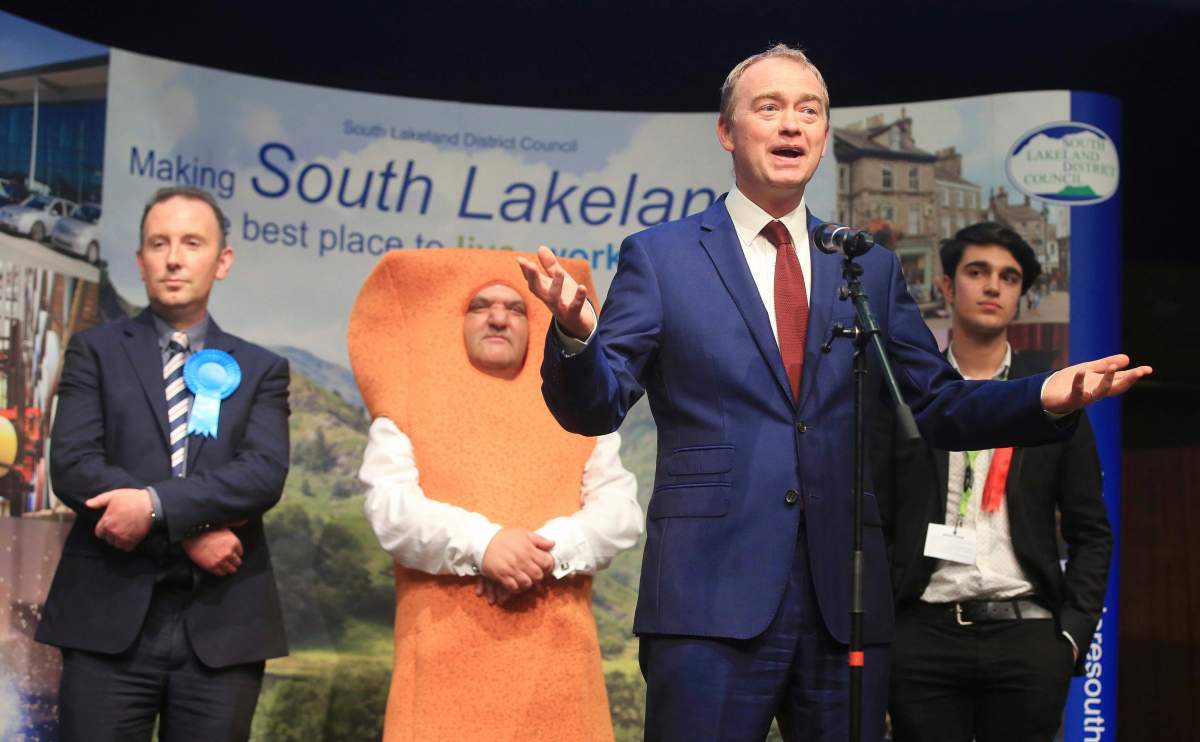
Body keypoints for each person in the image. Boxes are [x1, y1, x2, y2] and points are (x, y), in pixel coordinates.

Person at [517, 44, 1149, 741]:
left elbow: (936, 403)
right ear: (727, 131)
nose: (792, 125)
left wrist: (1043, 398)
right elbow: (594, 405)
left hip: (843, 598)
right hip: (709, 600)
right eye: (770, 108)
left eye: (809, 111)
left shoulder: (865, 266)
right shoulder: (662, 257)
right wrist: (577, 337)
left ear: (822, 137)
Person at [349, 249, 642, 741]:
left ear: (538, 325)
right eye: (480, 306)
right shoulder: (407, 411)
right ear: (455, 322)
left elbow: (620, 512)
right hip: (441, 665)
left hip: (558, 666)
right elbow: (390, 508)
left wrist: (542, 554)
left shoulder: (580, 415)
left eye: (516, 307)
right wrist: (483, 546)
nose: (499, 317)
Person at [36, 186, 290, 742]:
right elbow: (75, 464)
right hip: (106, 620)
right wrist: (193, 530)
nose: (174, 257)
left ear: (222, 261)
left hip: (223, 629)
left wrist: (153, 508)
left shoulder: (262, 368)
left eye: (192, 242)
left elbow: (262, 474)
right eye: (159, 243)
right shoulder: (94, 351)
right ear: (140, 260)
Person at [875, 222, 1111, 742]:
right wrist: (890, 625)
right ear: (945, 287)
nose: (992, 286)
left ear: (1020, 297)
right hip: (923, 632)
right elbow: (876, 517)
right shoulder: (906, 394)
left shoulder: (1053, 395)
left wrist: (1071, 634)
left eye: (1008, 277)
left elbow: (1091, 530)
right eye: (977, 271)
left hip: (1028, 632)